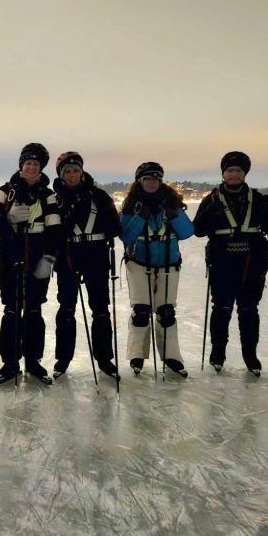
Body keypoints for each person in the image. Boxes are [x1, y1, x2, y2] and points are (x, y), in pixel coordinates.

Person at [193, 151, 268, 376]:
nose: (234, 174)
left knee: (248, 309)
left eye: (238, 171)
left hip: (253, 261)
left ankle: (250, 356)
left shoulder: (259, 199)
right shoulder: (211, 200)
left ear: (245, 173)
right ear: (223, 174)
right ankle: (217, 353)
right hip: (222, 260)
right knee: (221, 308)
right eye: (230, 171)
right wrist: (211, 214)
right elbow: (198, 230)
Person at [0, 143, 62, 385]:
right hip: (10, 259)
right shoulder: (5, 191)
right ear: (21, 165)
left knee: (34, 309)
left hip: (39, 260)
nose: (31, 167)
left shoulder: (48, 195)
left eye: (35, 164)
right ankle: (9, 363)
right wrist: (9, 223)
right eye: (28, 163)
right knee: (11, 309)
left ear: (41, 168)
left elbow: (55, 229)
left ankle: (33, 361)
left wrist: (49, 259)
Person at [118, 162, 194, 377]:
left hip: (168, 264)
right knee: (141, 311)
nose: (152, 182)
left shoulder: (171, 203)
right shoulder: (131, 206)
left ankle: (172, 357)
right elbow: (125, 236)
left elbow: (188, 232)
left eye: (155, 179)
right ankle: (137, 355)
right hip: (138, 263)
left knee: (166, 312)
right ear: (140, 181)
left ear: (160, 181)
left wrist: (173, 214)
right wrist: (139, 217)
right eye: (147, 179)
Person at [52, 152, 121, 379]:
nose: (72, 175)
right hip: (68, 256)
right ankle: (63, 359)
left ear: (82, 172)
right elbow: (51, 232)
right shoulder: (55, 199)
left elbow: (115, 227)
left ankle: (104, 359)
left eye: (75, 171)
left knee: (101, 309)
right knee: (67, 309)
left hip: (96, 255)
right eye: (67, 171)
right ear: (62, 175)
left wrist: (104, 223)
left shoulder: (99, 196)